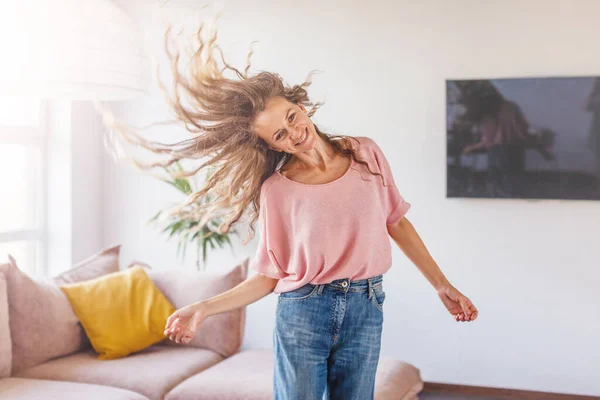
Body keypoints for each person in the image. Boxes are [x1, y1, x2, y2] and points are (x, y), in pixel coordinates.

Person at [101, 22, 478, 400]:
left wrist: (442, 285)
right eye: (279, 134)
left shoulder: (365, 154)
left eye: (291, 118)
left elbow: (395, 220)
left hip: (366, 306)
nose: (294, 132)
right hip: (303, 313)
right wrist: (202, 308)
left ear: (300, 106)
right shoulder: (277, 191)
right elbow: (266, 277)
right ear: (271, 146)